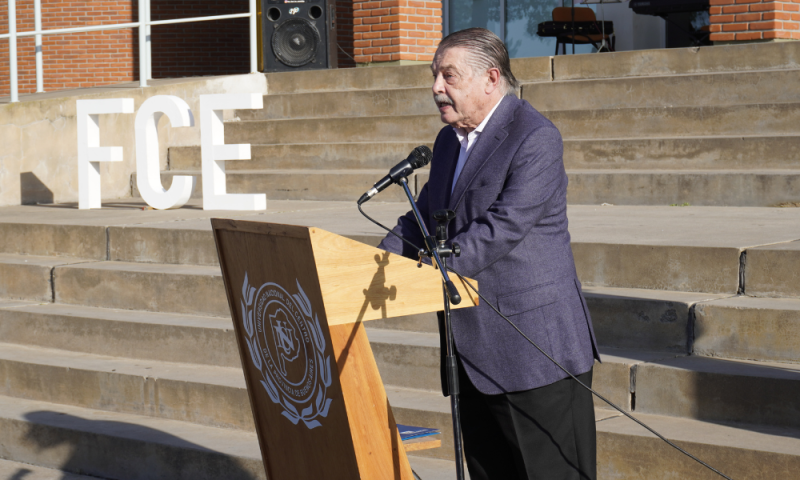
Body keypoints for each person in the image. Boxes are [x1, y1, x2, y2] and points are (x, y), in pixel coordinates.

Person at [377, 28, 601, 480]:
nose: (436, 87)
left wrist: (427, 271)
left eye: (448, 75)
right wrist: (366, 266)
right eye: (434, 76)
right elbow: (419, 221)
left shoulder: (534, 137)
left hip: (534, 350)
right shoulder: (446, 143)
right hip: (471, 351)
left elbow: (503, 228)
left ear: (490, 79)